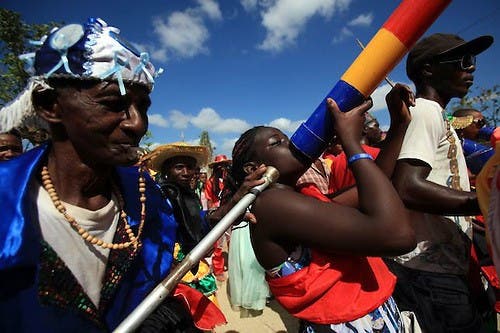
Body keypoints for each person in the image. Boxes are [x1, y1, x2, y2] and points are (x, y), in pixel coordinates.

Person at [0, 17, 260, 332]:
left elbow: (183, 238)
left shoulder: (142, 193)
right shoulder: (7, 200)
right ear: (50, 106)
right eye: (113, 103)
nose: (137, 124)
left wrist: (232, 204)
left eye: (143, 107)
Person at [224, 83, 416, 332]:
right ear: (253, 168)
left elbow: (378, 183)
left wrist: (399, 126)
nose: (291, 145)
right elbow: (398, 236)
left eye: (287, 138)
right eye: (277, 143)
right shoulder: (270, 204)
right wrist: (351, 142)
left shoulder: (301, 197)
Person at [387, 33, 494, 333]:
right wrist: (483, 200)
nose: (471, 69)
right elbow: (407, 186)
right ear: (429, 70)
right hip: (429, 274)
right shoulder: (424, 112)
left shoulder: (439, 115)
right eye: (463, 60)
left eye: (472, 61)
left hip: (441, 270)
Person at [146, 142, 219, 305]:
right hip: (170, 266)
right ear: (166, 171)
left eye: (190, 167)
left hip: (192, 260)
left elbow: (197, 222)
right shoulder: (159, 197)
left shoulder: (189, 196)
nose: (186, 173)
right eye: (179, 167)